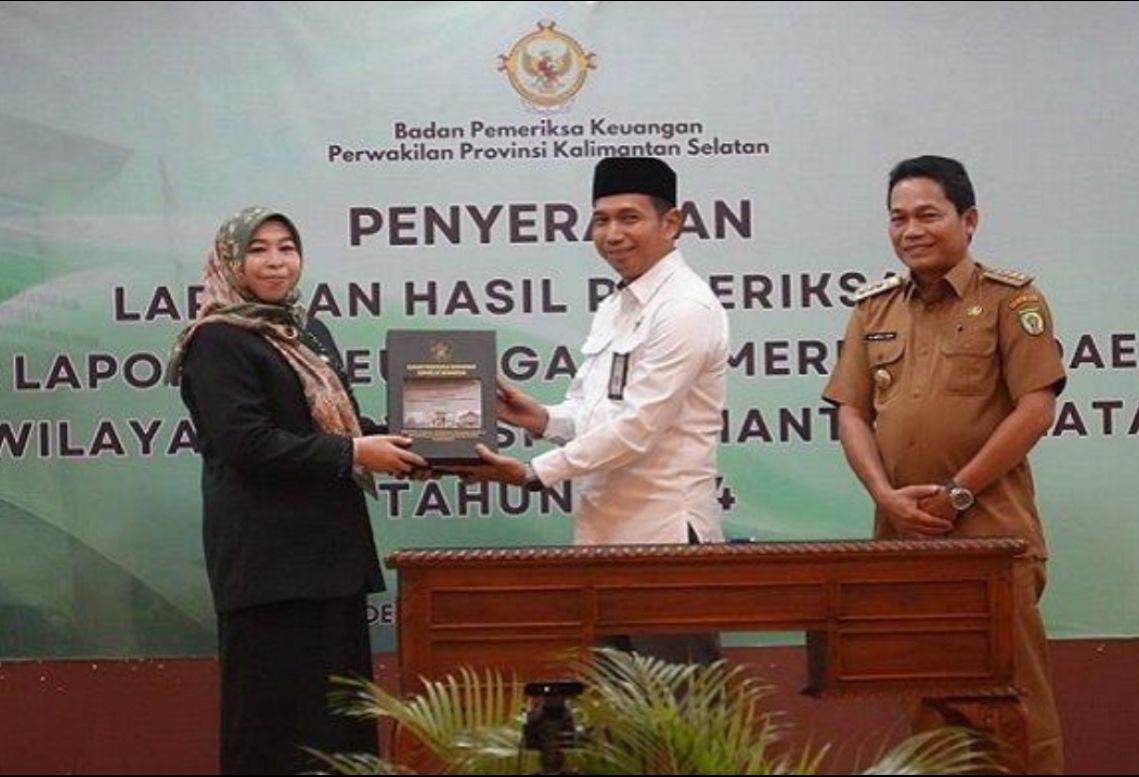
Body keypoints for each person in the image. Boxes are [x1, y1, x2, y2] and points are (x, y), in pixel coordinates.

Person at [822, 156, 1065, 773]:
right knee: (927, 712)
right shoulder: (874, 308)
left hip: (991, 540)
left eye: (928, 215)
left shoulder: (1012, 300)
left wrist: (958, 493)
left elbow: (1036, 409)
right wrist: (885, 497)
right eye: (898, 218)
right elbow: (851, 413)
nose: (911, 230)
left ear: (969, 219)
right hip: (904, 541)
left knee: (1016, 710)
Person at [169, 206, 425, 774]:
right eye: (258, 249)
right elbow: (249, 444)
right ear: (231, 260)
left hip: (331, 562)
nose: (276, 262)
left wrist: (426, 446)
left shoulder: (305, 332)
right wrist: (356, 454)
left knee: (339, 729)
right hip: (269, 570)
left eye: (287, 247)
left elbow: (346, 428)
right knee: (275, 731)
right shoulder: (217, 341)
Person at [448, 157, 730, 665]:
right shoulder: (617, 305)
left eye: (629, 218)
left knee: (679, 706)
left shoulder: (685, 308)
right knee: (615, 707)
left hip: (664, 541)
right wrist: (539, 418)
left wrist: (533, 473)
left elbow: (637, 429)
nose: (612, 234)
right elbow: (595, 413)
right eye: (601, 220)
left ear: (672, 222)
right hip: (604, 537)